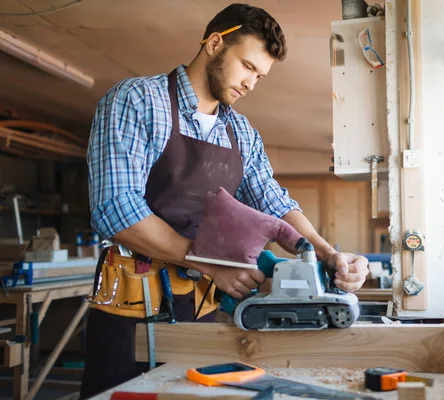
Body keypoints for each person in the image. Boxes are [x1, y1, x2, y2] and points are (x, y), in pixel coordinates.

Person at [80, 3, 369, 398]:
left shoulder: (241, 132)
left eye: (260, 76)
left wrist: (324, 252)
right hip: (132, 308)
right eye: (247, 66)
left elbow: (272, 200)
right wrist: (208, 262)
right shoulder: (138, 100)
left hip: (200, 309)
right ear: (215, 43)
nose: (252, 83)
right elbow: (116, 208)